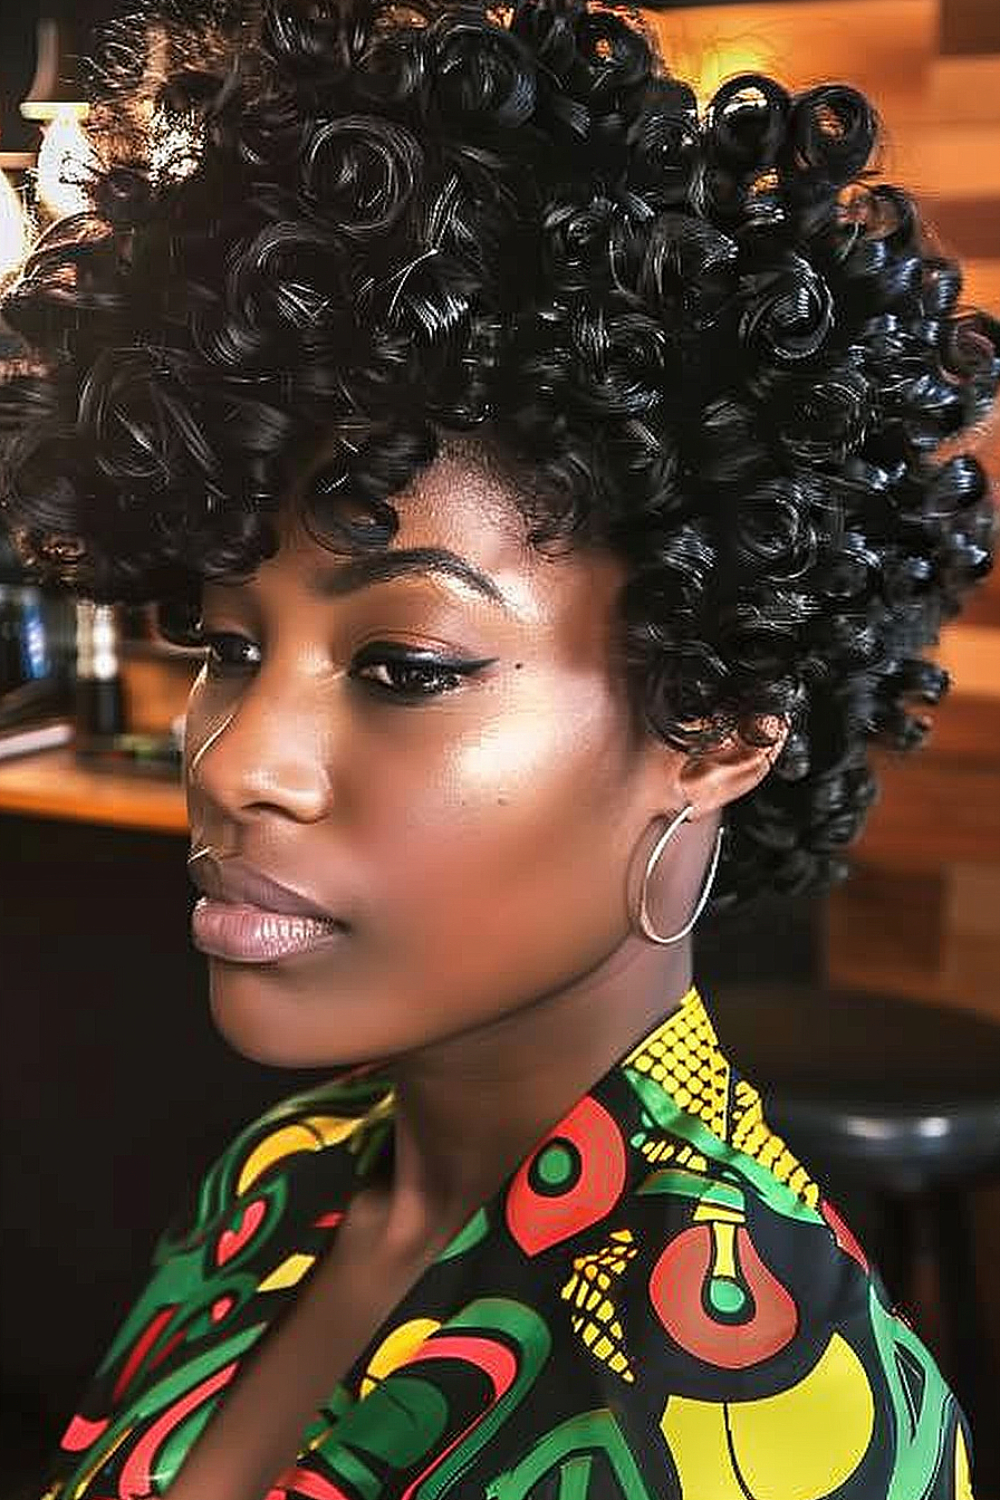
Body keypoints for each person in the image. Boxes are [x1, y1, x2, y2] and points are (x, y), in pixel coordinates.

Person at [1, 0, 997, 1492]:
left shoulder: (763, 1431)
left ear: (712, 728)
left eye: (404, 663)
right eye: (227, 646)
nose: (234, 761)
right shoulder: (285, 1174)